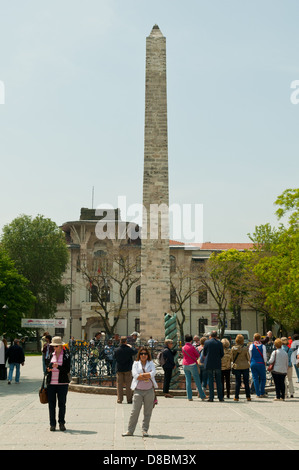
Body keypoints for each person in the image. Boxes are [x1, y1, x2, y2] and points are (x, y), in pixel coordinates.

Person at [122, 347, 157, 437]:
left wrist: (142, 375)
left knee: (147, 411)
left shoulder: (151, 363)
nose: (143, 355)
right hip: (138, 391)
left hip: (149, 391)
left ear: (148, 355)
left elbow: (153, 373)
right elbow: (135, 375)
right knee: (134, 411)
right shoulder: (135, 364)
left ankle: (145, 430)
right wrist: (146, 375)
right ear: (139, 355)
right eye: (141, 354)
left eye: (145, 354)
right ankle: (130, 430)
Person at [46, 336, 71, 431]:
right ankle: (52, 424)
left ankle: (61, 423)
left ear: (60, 346)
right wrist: (48, 370)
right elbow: (46, 368)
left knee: (62, 404)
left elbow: (67, 369)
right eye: (53, 346)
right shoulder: (50, 355)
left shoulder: (66, 355)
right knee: (51, 404)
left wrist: (58, 367)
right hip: (51, 384)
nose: (54, 348)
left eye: (56, 346)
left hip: (62, 383)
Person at [114, 336, 138, 404]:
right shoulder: (129, 349)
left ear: (120, 342)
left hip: (119, 369)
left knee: (119, 385)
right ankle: (129, 399)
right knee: (128, 385)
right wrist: (130, 346)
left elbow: (114, 357)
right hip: (127, 368)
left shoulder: (116, 350)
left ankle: (119, 399)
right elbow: (135, 351)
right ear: (126, 342)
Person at [182, 334, 206, 401]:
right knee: (197, 380)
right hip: (192, 364)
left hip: (185, 364)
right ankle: (202, 396)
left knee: (188, 381)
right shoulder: (192, 347)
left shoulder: (183, 347)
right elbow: (197, 355)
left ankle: (189, 397)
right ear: (191, 340)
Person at [203, 331, 224, 402]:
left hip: (209, 363)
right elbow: (222, 354)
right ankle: (220, 397)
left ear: (210, 336)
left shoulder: (206, 342)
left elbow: (204, 353)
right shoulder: (220, 343)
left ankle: (211, 397)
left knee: (210, 380)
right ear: (216, 336)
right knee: (218, 380)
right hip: (217, 363)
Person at [231, 334, 251, 401]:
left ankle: (236, 396)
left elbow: (232, 358)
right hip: (245, 366)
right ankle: (248, 396)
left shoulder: (233, 348)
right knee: (246, 382)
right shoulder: (245, 348)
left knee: (238, 382)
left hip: (237, 366)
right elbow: (248, 358)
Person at [249, 333, 267, 398]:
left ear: (254, 338)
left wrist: (250, 362)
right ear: (260, 338)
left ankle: (257, 393)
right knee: (263, 378)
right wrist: (265, 363)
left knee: (255, 378)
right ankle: (262, 392)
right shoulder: (263, 346)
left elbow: (250, 356)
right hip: (261, 363)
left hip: (253, 363)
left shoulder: (251, 346)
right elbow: (265, 357)